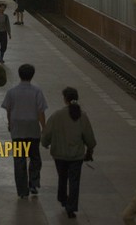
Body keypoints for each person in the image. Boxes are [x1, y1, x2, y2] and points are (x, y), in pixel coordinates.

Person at [41, 87, 97, 219]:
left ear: (65, 99)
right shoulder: (82, 116)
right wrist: (90, 147)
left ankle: (62, 198)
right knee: (74, 181)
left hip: (59, 154)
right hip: (76, 155)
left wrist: (45, 143)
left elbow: (47, 133)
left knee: (62, 177)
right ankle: (71, 208)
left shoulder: (57, 115)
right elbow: (89, 136)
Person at [1, 63, 48, 198]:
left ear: (20, 75)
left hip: (17, 130)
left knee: (19, 159)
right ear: (32, 76)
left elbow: (9, 110)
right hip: (33, 129)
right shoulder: (37, 92)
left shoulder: (12, 92)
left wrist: (10, 124)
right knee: (35, 157)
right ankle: (33, 183)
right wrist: (43, 127)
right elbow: (40, 111)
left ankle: (22, 190)